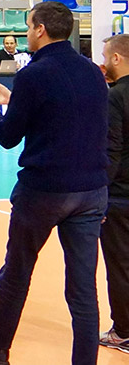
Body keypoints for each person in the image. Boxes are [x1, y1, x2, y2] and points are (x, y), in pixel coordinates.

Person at [0, 2, 109, 365]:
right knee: (83, 289)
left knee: (17, 270)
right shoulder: (92, 71)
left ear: (40, 29)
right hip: (91, 191)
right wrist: (17, 102)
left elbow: (9, 137)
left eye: (29, 26)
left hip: (45, 190)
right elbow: (67, 115)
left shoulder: (34, 74)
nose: (27, 32)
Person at [100, 34, 129, 352]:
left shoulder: (116, 96)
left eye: (106, 55)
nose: (103, 61)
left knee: (120, 265)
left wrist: (101, 195)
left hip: (120, 195)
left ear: (117, 59)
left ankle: (123, 330)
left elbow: (112, 151)